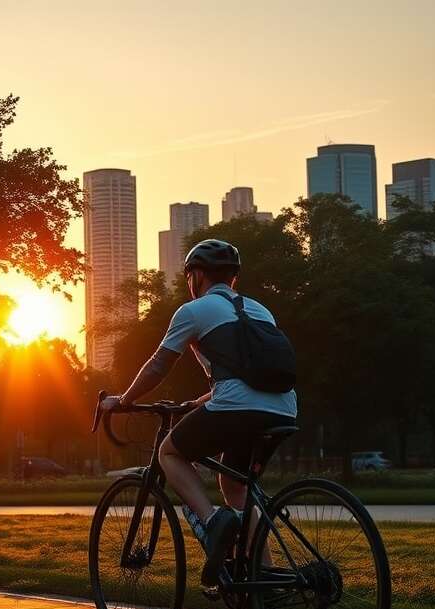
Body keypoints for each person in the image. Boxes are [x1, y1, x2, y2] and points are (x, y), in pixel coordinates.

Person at [100, 239, 297, 586]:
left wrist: (125, 399)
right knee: (236, 485)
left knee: (168, 453)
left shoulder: (193, 311)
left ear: (196, 275)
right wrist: (200, 401)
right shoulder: (260, 310)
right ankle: (263, 579)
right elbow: (245, 375)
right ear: (232, 279)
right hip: (283, 408)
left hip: (237, 408)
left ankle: (212, 521)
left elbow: (158, 366)